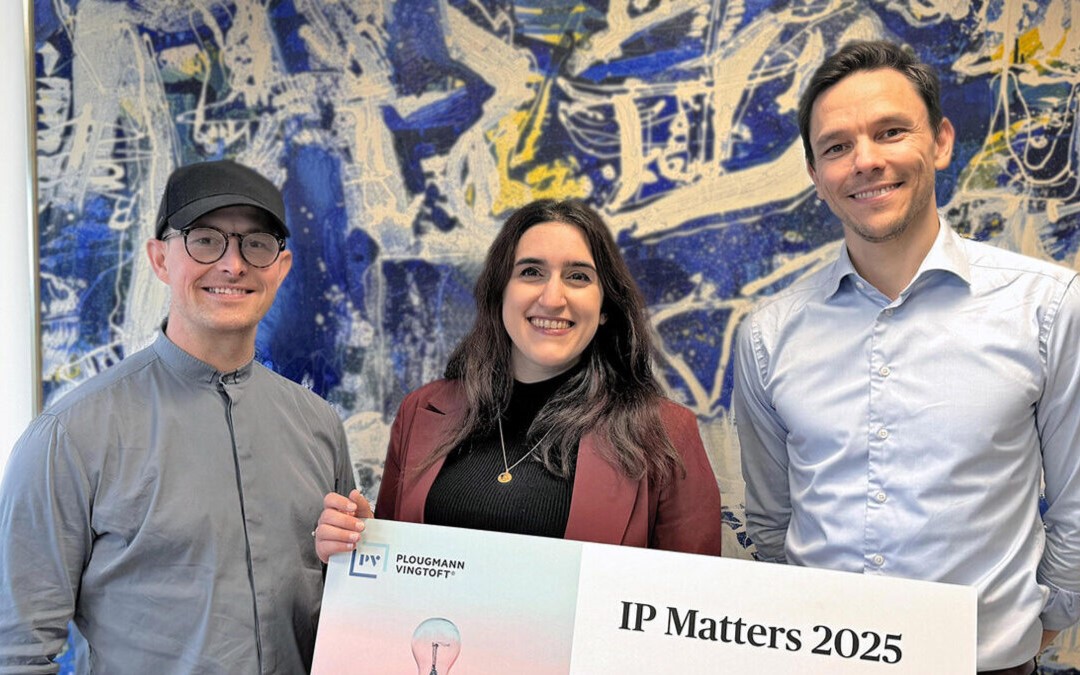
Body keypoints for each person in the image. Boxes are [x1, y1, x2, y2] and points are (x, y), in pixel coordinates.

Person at [733, 40, 1080, 675]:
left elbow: (1078, 503)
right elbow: (773, 518)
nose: (866, 161)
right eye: (837, 147)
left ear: (941, 142)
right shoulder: (767, 335)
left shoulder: (1048, 308)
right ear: (815, 174)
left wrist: (1042, 620)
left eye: (891, 132)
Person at [0, 159, 356, 673]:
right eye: (205, 240)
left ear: (281, 267)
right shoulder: (70, 436)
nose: (233, 265)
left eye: (256, 244)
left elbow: (345, 618)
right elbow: (18, 654)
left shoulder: (319, 426)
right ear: (160, 259)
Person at [315, 199, 721, 561]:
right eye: (531, 272)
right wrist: (358, 544)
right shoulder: (421, 412)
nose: (552, 298)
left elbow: (688, 602)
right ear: (499, 293)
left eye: (578, 276)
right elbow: (393, 576)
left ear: (605, 308)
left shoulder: (665, 433)